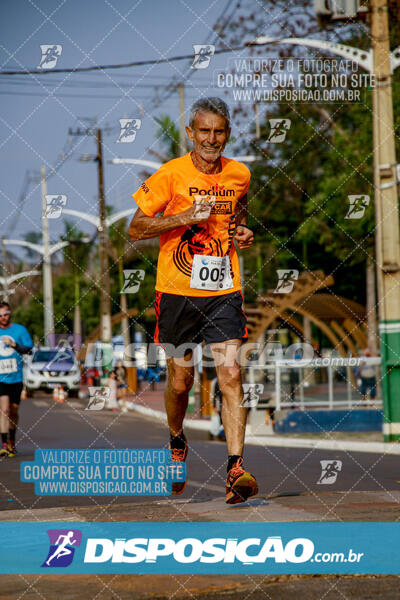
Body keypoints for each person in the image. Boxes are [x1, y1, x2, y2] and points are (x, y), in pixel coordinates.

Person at [129, 97, 258, 504]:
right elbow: (135, 229)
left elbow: (237, 214)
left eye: (219, 132)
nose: (211, 139)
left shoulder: (239, 174)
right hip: (177, 293)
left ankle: (235, 470)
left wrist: (243, 233)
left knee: (231, 375)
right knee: (181, 382)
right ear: (190, 133)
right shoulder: (170, 175)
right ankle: (176, 440)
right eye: (204, 131)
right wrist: (183, 218)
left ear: (228, 134)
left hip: (224, 290)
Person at [0, 301, 33, 457]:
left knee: (13, 411)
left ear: (10, 313)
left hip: (16, 377)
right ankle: (4, 443)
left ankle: (12, 441)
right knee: (4, 409)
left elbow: (28, 349)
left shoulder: (20, 330)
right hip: (1, 378)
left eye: (5, 314)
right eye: (0, 315)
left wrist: (14, 344)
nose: (3, 318)